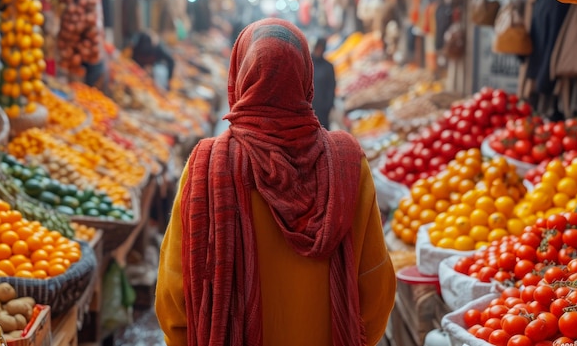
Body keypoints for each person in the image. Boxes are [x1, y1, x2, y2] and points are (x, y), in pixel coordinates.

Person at [155, 18, 396, 346]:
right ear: (305, 77)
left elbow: (174, 294)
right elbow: (376, 289)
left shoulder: (208, 166)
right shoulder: (347, 163)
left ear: (240, 76)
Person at [311, 37, 337, 129]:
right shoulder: (307, 63)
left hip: (323, 110)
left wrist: (329, 105)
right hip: (309, 108)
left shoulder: (328, 67)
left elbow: (331, 88)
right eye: (318, 48)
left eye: (321, 48)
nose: (319, 51)